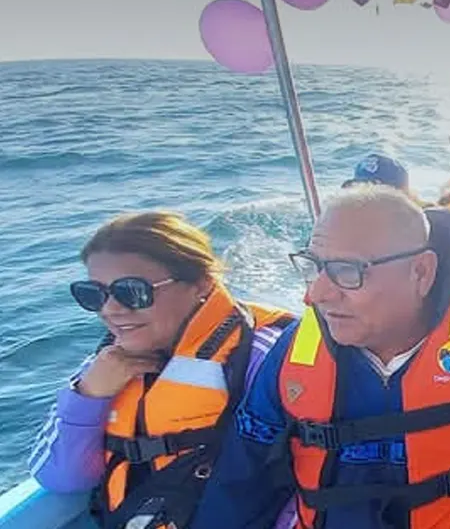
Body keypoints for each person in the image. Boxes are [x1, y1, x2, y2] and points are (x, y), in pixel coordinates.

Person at [191, 188, 450, 529]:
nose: (316, 294)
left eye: (347, 271)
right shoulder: (294, 355)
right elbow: (239, 487)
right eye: (313, 267)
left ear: (421, 272)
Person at [29, 211, 294, 529]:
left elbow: (317, 481)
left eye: (132, 291)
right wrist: (88, 396)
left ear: (201, 283)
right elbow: (61, 477)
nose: (111, 309)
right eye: (94, 294)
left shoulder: (264, 359)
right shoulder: (102, 368)